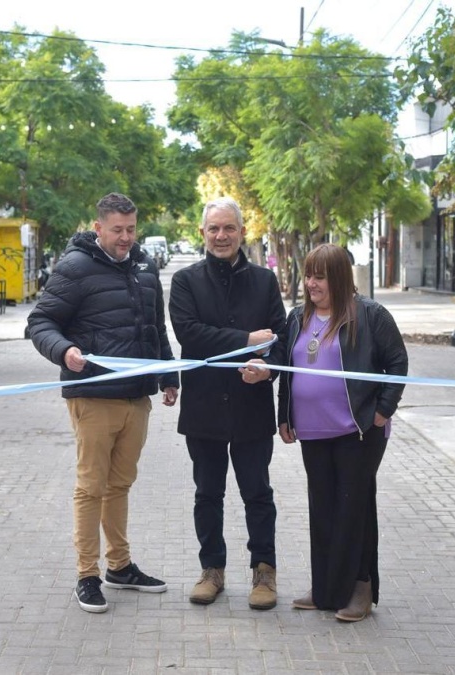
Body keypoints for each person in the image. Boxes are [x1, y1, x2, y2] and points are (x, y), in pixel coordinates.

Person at [27, 192, 179, 614]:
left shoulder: (145, 267)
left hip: (137, 397)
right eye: (117, 230)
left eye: (131, 229)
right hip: (92, 395)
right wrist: (64, 352)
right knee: (91, 487)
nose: (126, 237)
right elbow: (40, 322)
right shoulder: (74, 267)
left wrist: (169, 376)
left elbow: (155, 328)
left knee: (120, 484)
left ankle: (120, 566)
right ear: (98, 228)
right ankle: (87, 575)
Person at [277, 243, 408, 622]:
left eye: (319, 276)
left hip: (358, 432)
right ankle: (326, 590)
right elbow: (289, 369)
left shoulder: (370, 315)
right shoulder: (297, 316)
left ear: (338, 277)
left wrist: (382, 412)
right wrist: (284, 414)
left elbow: (397, 362)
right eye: (308, 275)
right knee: (324, 511)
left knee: (353, 508)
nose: (311, 283)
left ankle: (360, 588)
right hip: (313, 433)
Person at [169, 197, 287, 609]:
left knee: (258, 493)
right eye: (214, 229)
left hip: (252, 405)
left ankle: (264, 572)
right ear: (202, 233)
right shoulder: (185, 281)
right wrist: (246, 342)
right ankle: (212, 570)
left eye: (229, 228)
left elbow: (280, 339)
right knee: (208, 494)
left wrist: (267, 367)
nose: (221, 236)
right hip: (203, 408)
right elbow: (190, 334)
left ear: (242, 232)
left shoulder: (264, 281)